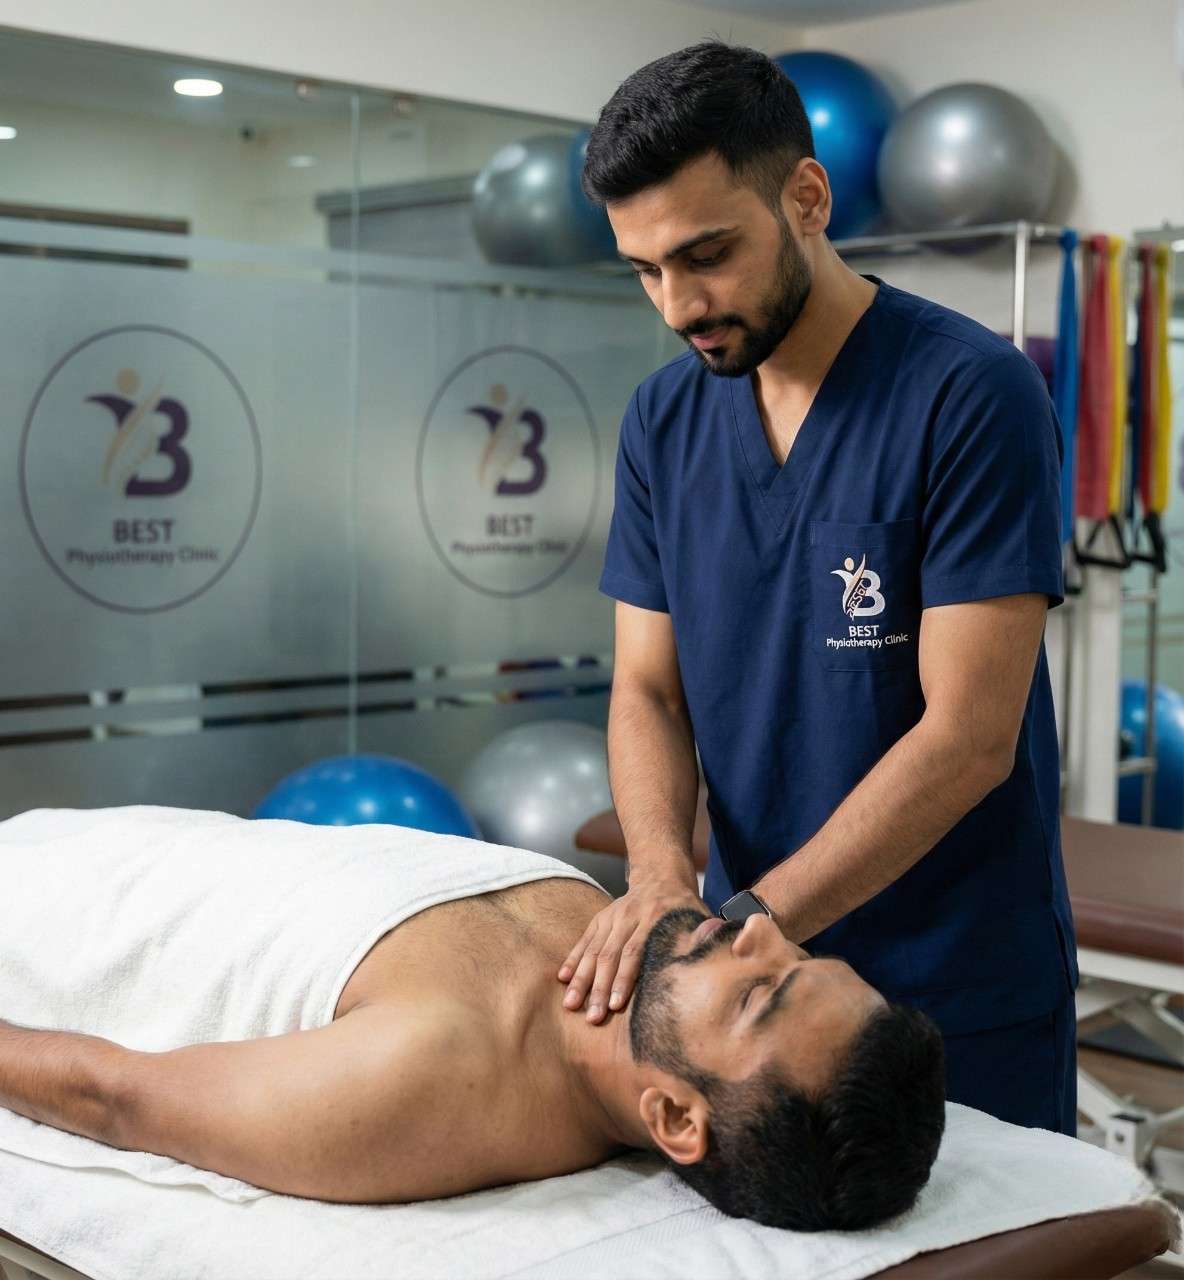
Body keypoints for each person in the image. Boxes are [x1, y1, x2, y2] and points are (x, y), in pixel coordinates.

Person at [559, 41, 1079, 1136]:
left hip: (952, 986)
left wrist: (743, 924)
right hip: (752, 1016)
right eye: (645, 271)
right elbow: (648, 689)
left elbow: (969, 738)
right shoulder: (662, 420)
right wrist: (660, 879)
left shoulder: (969, 394)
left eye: (706, 254)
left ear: (806, 197)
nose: (678, 304)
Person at [0, 806, 943, 1231]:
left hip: (41, 911)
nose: (760, 930)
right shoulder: (625, 937)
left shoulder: (419, 1082)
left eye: (759, 993)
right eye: (800, 955)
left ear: (673, 1117)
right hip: (130, 833)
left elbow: (114, 1095)